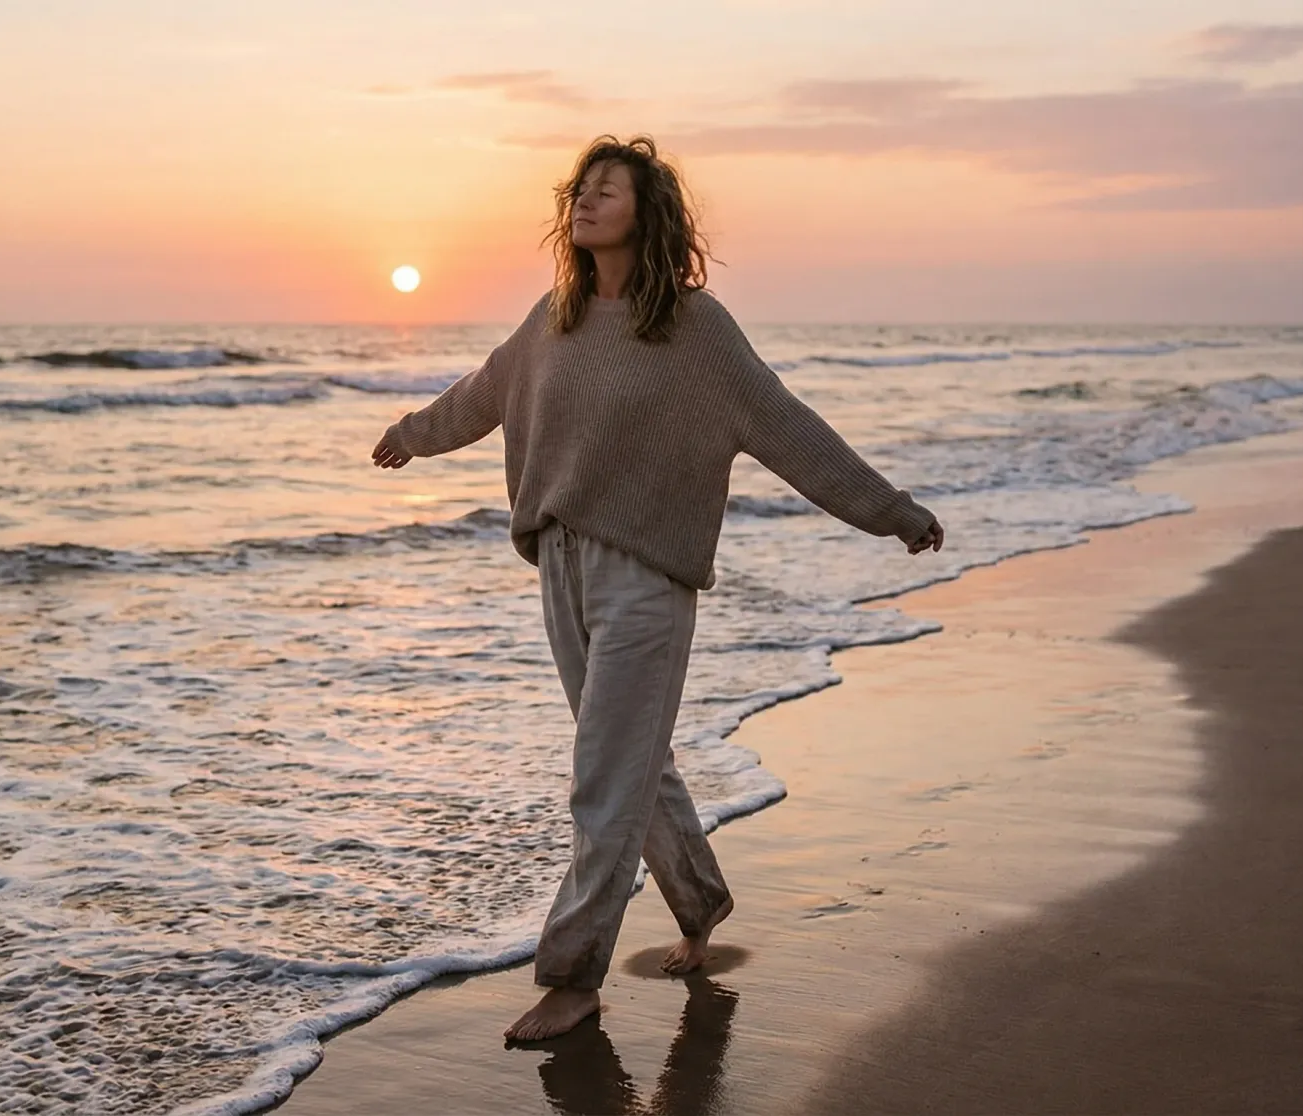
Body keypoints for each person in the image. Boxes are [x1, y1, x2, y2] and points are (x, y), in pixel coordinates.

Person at [371, 134, 944, 1042]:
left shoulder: (695, 329)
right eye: (581, 189)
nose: (587, 201)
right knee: (638, 762)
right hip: (557, 562)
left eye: (608, 189)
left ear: (650, 214)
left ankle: (571, 975)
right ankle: (702, 899)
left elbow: (788, 428)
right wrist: (412, 431)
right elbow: (485, 392)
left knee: (603, 776)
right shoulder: (552, 317)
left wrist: (891, 510)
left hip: (645, 577)